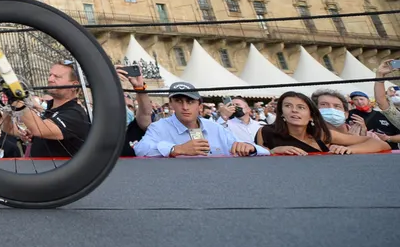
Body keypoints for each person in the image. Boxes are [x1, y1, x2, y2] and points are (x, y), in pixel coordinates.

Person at [134, 82, 267, 157]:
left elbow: (257, 150)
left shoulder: (215, 128)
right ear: (171, 104)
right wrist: (176, 149)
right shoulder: (159, 127)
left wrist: (250, 148)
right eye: (179, 101)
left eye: (190, 102)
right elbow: (141, 149)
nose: (185, 107)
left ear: (200, 106)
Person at [0, 61, 91, 158]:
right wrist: (9, 105)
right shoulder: (49, 108)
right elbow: (7, 129)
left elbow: (40, 129)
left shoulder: (75, 113)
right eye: (50, 75)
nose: (50, 79)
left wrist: (17, 99)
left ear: (74, 86)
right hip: (41, 169)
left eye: (57, 77)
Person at [255, 91, 390, 155]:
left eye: (301, 107)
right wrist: (274, 152)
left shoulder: (322, 134)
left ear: (312, 116)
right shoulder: (266, 132)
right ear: (281, 112)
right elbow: (257, 161)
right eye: (288, 106)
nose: (294, 110)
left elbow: (380, 144)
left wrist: (349, 150)